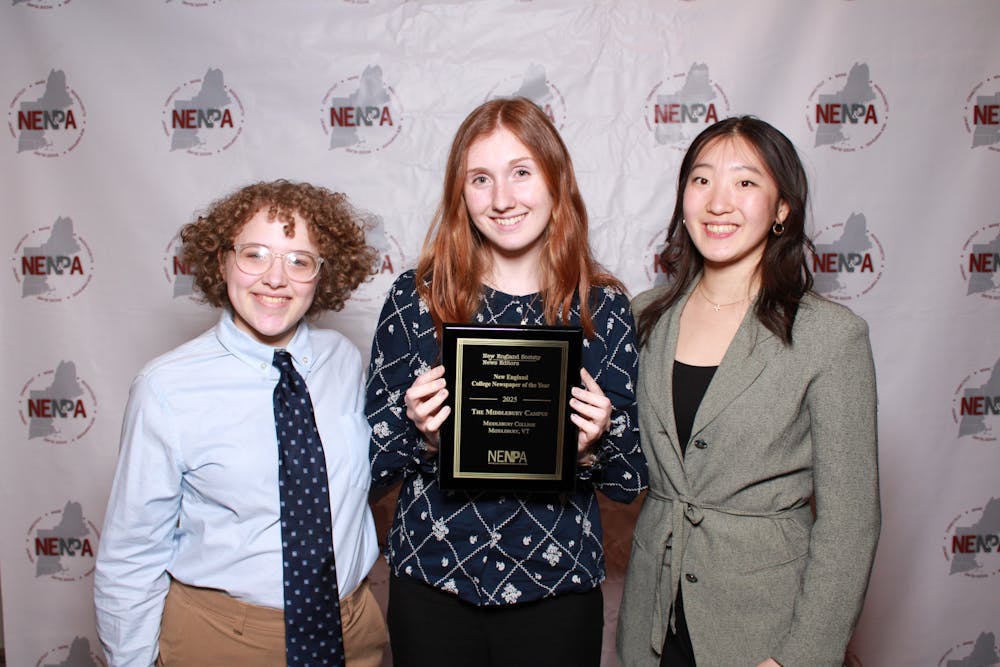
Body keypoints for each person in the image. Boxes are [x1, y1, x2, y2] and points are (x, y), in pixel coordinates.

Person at [365, 97, 647, 667]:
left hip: (558, 588)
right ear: (459, 194)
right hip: (432, 581)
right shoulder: (415, 299)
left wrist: (595, 443)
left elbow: (628, 480)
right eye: (480, 179)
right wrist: (419, 433)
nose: (502, 199)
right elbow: (370, 466)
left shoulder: (603, 307)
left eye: (521, 173)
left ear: (554, 180)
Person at [616, 116, 880, 667]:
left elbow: (850, 521)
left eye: (745, 182)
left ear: (782, 208)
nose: (718, 202)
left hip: (765, 629)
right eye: (701, 179)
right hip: (650, 619)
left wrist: (801, 656)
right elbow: (611, 458)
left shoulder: (830, 336)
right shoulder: (640, 318)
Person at [94, 180, 387, 667]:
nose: (276, 278)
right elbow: (131, 553)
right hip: (224, 639)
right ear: (222, 260)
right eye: (255, 254)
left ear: (322, 274)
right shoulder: (166, 387)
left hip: (351, 630)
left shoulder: (343, 361)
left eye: (299, 260)